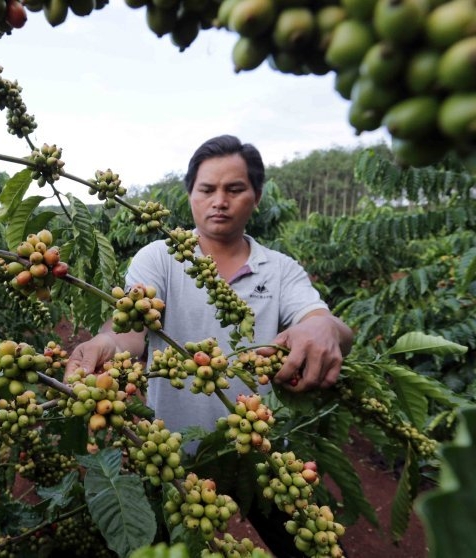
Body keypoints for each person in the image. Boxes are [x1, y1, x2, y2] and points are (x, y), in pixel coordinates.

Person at [65, 135, 354, 556]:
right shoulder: (160, 257)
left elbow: (324, 323)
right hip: (171, 454)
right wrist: (108, 341)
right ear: (190, 195)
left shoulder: (280, 270)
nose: (220, 200)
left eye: (234, 189)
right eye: (207, 189)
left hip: (260, 447)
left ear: (256, 197)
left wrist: (325, 327)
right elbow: (132, 329)